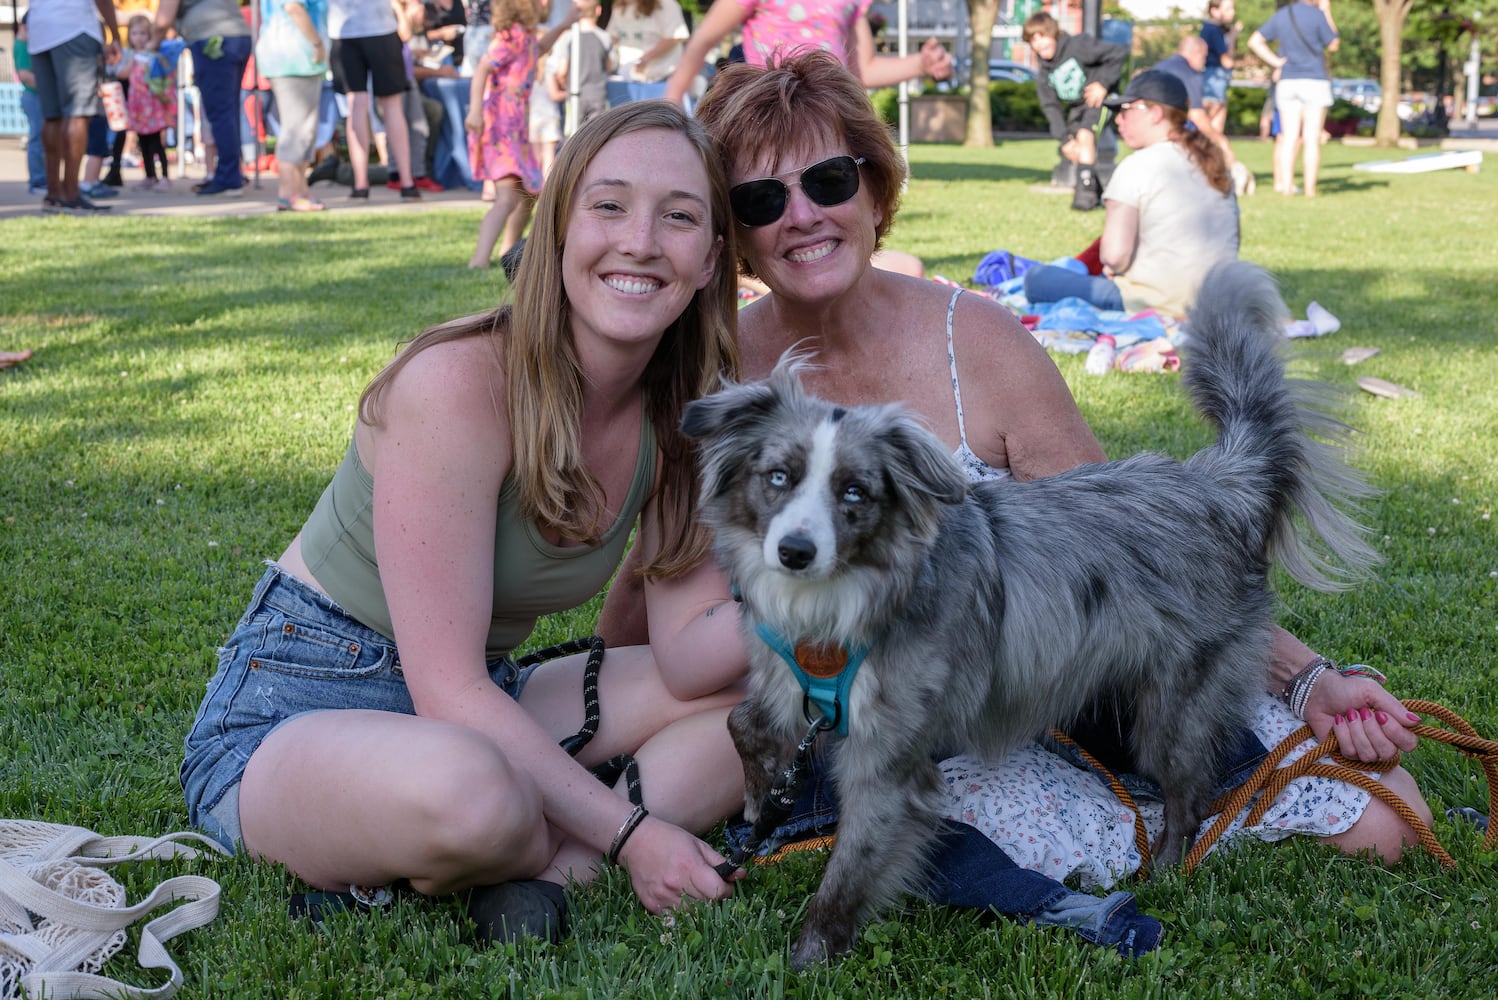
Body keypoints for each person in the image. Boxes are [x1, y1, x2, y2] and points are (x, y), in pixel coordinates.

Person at [605, 52, 1434, 944]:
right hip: (857, 721)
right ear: (737, 231)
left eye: (828, 180)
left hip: (1045, 700)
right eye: (763, 199)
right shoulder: (716, 381)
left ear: (873, 187)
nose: (801, 215)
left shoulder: (980, 343)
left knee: (1387, 819)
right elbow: (654, 620)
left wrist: (1309, 678)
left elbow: (1144, 559)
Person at [180, 98, 749, 946]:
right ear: (557, 230)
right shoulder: (459, 384)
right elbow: (445, 686)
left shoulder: (683, 417)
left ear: (708, 260)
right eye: (608, 205)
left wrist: (844, 600)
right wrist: (633, 827)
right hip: (299, 708)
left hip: (483, 700)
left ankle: (551, 877)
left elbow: (686, 653)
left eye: (679, 216)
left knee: (759, 699)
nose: (640, 241)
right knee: (481, 798)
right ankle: (580, 839)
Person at [1021, 71, 1240, 321]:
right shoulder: (1212, 164)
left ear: (1155, 113)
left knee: (1037, 279)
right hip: (1218, 298)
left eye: (1125, 110)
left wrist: (1114, 268)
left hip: (1155, 301)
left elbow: (1114, 257)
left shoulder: (1137, 165)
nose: (1118, 121)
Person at [466, 0, 584, 269]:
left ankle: (508, 253)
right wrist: (474, 111)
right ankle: (478, 260)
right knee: (507, 197)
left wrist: (564, 25)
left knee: (528, 195)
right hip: (500, 127)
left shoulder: (527, 37)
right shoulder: (511, 37)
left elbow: (540, 48)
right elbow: (483, 69)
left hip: (516, 130)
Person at [662, 0, 954, 107]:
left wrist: (920, 63)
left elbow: (863, 69)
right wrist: (672, 103)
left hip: (830, 113)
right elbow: (702, 41)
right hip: (769, 112)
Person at [1022, 10, 1127, 212]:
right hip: (1078, 108)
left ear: (1053, 34)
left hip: (1101, 100)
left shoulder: (1078, 46)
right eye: (1033, 40)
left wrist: (1103, 84)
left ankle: (1084, 196)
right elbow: (1050, 107)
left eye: (1042, 37)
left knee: (1085, 135)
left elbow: (1118, 53)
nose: (1039, 44)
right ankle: (1094, 190)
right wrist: (1064, 140)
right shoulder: (1044, 72)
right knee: (1075, 148)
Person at [29, 0, 122, 214]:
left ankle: (53, 195)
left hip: (39, 30)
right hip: (74, 27)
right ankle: (71, 195)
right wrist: (115, 34)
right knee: (78, 113)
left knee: (52, 116)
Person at [323, 0, 421, 199]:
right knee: (390, 105)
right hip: (378, 29)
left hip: (345, 32)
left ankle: (360, 185)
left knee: (356, 105)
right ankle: (406, 182)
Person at [155, 0, 253, 196]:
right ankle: (231, 173)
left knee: (220, 112)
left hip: (213, 40)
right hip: (238, 36)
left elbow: (163, 19)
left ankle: (229, 179)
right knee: (229, 110)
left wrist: (153, 43)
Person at [1248, 0, 1338, 197]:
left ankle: (1287, 187)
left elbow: (1255, 41)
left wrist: (1276, 62)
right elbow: (1333, 44)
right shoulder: (1317, 15)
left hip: (1288, 81)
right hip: (1314, 80)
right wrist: (1327, 10)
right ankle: (1309, 190)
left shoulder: (1283, 15)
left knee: (1288, 138)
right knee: (1311, 138)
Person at [257, 0, 331, 210]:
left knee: (304, 129)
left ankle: (300, 190)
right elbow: (293, 6)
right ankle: (288, 193)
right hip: (293, 59)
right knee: (296, 129)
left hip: (299, 61)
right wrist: (317, 43)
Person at [1151, 34, 1236, 168]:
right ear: (1196, 53)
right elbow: (1196, 115)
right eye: (1204, 56)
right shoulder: (1189, 74)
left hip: (1147, 129)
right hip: (1169, 137)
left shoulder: (1159, 66)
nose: (1204, 61)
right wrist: (1222, 142)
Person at [115, 14, 178, 192]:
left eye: (143, 33)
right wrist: (131, 61)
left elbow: (165, 73)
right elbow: (122, 74)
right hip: (138, 105)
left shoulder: (155, 55)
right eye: (135, 33)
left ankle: (165, 177)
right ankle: (150, 176)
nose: (139, 37)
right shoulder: (130, 55)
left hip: (154, 104)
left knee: (157, 142)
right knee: (143, 142)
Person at [606, 0, 687, 85]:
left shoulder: (666, 4)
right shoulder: (619, 7)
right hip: (629, 78)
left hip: (662, 79)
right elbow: (613, 36)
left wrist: (645, 59)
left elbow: (674, 37)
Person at [13, 13, 47, 197]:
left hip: (35, 97)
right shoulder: (22, 46)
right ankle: (38, 180)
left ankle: (42, 178)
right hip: (33, 97)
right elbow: (25, 75)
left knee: (41, 139)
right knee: (37, 139)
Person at [1200, 0, 1241, 138]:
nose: (1232, 13)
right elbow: (1227, 62)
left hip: (1214, 77)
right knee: (1208, 126)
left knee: (1215, 127)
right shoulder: (1213, 30)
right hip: (1214, 77)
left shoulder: (1212, 29)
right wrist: (1233, 38)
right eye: (1228, 9)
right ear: (1214, 11)